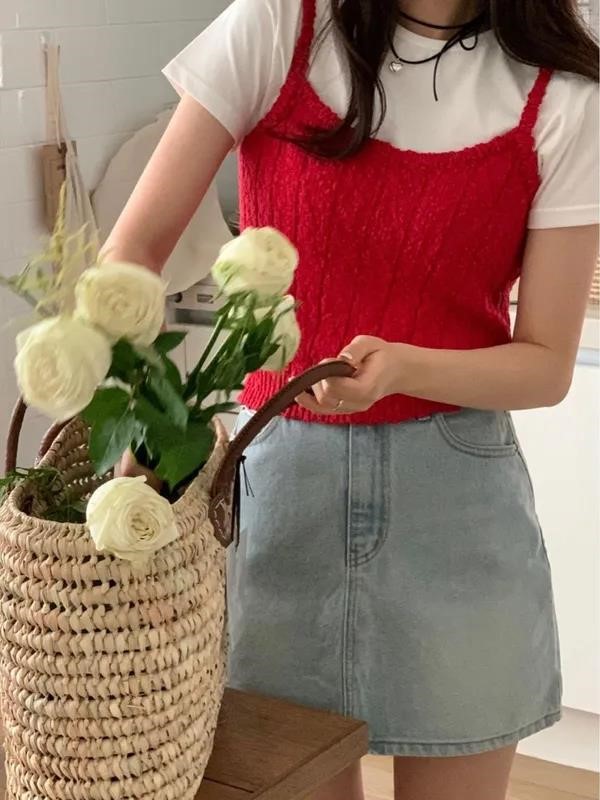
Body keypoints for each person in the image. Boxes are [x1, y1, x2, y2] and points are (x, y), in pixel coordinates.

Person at [104, 1, 599, 797]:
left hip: (456, 502)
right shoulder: (278, 25)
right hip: (279, 493)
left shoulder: (566, 95)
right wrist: (152, 417)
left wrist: (403, 368)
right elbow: (133, 251)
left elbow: (545, 366)